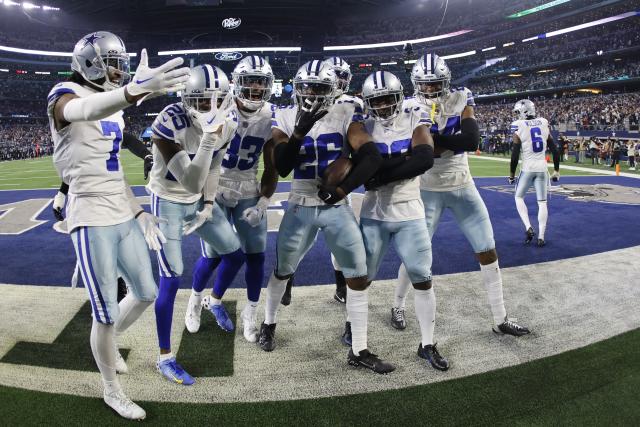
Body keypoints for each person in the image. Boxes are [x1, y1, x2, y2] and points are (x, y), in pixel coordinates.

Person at [47, 31, 189, 420]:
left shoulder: (115, 107)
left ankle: (107, 345)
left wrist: (140, 211)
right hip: (90, 215)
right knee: (105, 312)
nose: (118, 70)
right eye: (111, 63)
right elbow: (81, 110)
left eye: (120, 64)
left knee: (145, 291)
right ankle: (111, 389)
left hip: (121, 211)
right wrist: (131, 92)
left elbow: (114, 173)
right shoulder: (64, 92)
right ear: (90, 61)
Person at [261, 60, 393, 374]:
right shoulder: (284, 114)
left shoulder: (346, 112)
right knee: (282, 270)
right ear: (296, 87)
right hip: (299, 203)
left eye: (319, 88)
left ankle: (359, 348)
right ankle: (269, 323)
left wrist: (344, 188)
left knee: (357, 274)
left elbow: (371, 156)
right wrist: (299, 132)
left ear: (332, 90)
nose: (311, 94)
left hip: (334, 205)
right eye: (306, 87)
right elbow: (283, 166)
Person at [391, 54, 530, 350]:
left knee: (488, 250)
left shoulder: (461, 97)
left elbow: (471, 141)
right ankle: (397, 304)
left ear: (447, 81)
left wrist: (435, 143)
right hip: (426, 190)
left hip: (463, 186)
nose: (429, 90)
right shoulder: (409, 106)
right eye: (424, 85)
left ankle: (500, 317)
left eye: (435, 84)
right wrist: (435, 145)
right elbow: (418, 148)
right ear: (416, 84)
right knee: (415, 256)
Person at [147, 65, 241, 385]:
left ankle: (206, 300)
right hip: (169, 203)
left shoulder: (228, 124)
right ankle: (164, 358)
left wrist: (210, 203)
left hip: (199, 201)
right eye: (202, 101)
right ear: (186, 99)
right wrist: (207, 140)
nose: (211, 109)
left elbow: (212, 169)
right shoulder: (168, 121)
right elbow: (189, 182)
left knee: (234, 252)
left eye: (218, 100)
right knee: (171, 277)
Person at [185, 56, 279, 343]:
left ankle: (251, 314)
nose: (254, 87)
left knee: (257, 254)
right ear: (236, 84)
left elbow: (272, 164)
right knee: (213, 256)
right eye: (249, 81)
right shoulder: (216, 107)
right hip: (215, 183)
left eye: (260, 82)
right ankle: (196, 300)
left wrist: (263, 202)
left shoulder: (272, 115)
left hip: (248, 186)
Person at [353, 70, 439, 369]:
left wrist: (377, 174)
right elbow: (363, 164)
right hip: (374, 213)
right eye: (376, 101)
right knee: (361, 279)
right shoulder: (361, 125)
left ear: (399, 97)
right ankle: (357, 341)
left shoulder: (415, 114)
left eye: (388, 99)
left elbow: (424, 158)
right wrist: (402, 161)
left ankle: (427, 344)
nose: (383, 106)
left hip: (410, 212)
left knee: (423, 277)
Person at [509, 99, 560, 247]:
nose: (517, 115)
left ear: (525, 111)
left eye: (518, 112)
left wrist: (512, 175)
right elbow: (555, 149)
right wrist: (556, 170)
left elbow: (515, 155)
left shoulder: (518, 125)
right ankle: (542, 237)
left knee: (518, 197)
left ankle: (528, 227)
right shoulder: (543, 122)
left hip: (528, 169)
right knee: (542, 203)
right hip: (543, 169)